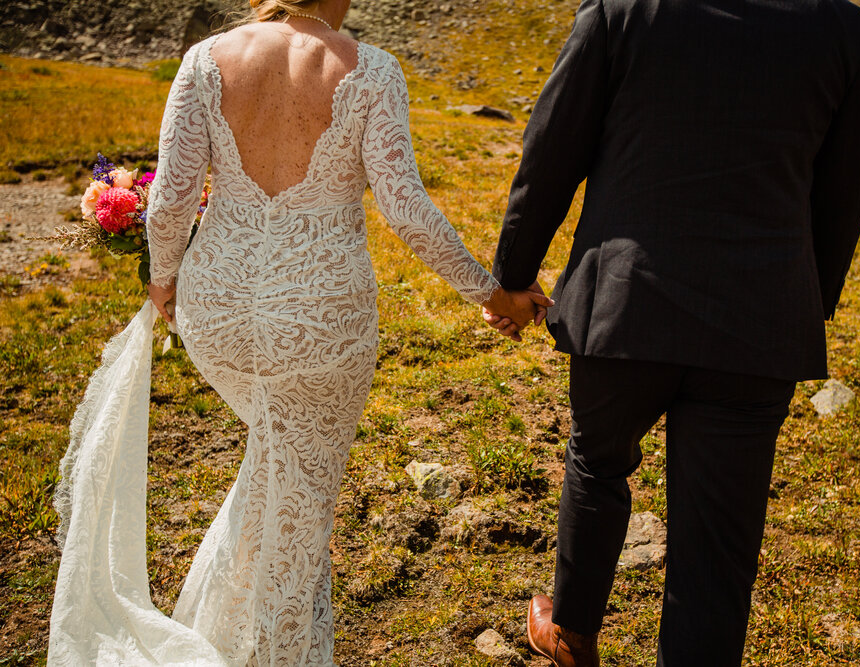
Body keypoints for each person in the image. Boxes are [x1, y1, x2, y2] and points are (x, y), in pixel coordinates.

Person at [48, 0, 550, 664]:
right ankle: (281, 649)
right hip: (321, 325)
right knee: (300, 502)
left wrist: (163, 280)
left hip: (218, 312)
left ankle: (225, 632)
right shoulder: (372, 70)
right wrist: (492, 291)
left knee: (276, 465)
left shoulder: (206, 60)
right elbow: (405, 207)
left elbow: (171, 196)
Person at [483, 0, 860, 664]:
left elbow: (551, 150)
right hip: (759, 321)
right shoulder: (837, 26)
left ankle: (572, 632)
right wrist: (810, 300)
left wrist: (512, 277)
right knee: (718, 540)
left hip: (626, 305)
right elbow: (845, 183)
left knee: (597, 460)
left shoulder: (624, 9)